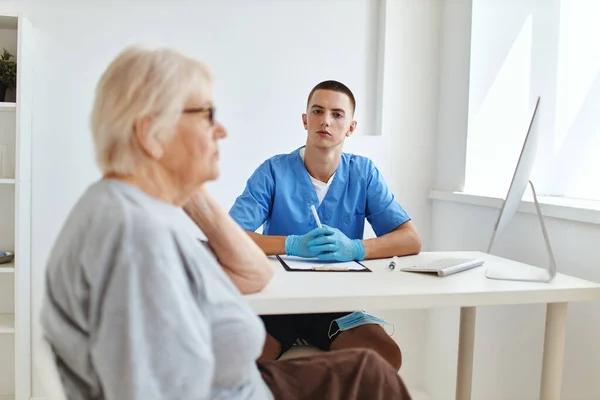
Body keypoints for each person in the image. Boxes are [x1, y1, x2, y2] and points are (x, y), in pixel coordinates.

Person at [40, 46, 412, 400]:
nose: (221, 131)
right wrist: (292, 243)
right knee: (370, 376)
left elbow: (254, 276)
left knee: (371, 366)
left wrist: (183, 183)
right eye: (206, 116)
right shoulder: (133, 236)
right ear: (150, 133)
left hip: (242, 381)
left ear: (350, 126)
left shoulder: (138, 209)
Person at [229, 80, 422, 370]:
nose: (326, 121)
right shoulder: (273, 171)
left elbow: (410, 239)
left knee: (385, 357)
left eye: (337, 114)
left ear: (351, 127)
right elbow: (230, 236)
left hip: (336, 307)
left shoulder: (363, 173)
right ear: (306, 120)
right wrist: (291, 244)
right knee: (238, 361)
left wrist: (356, 248)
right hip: (277, 304)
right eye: (318, 111)